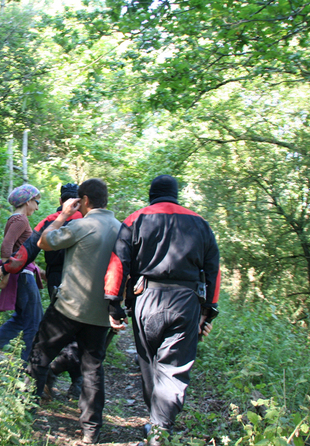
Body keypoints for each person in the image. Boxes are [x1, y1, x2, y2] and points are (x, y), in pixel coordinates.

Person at [104, 174, 220, 446]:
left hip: (147, 298)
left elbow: (118, 263)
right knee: (174, 369)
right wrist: (208, 311)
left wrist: (114, 305)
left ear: (151, 194)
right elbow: (213, 269)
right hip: (186, 300)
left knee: (148, 363)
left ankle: (156, 424)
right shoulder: (200, 223)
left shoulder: (135, 219)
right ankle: (160, 428)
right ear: (176, 194)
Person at [28, 178, 121, 445]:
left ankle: (25, 409)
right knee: (92, 369)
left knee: (40, 353)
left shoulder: (81, 224)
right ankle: (91, 431)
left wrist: (64, 215)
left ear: (85, 201)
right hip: (100, 313)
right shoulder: (121, 229)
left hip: (69, 307)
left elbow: (45, 243)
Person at [0, 183, 84, 398]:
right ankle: (48, 375)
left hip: (47, 278)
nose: (37, 206)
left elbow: (29, 250)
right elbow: (10, 248)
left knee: (38, 322)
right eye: (36, 201)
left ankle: (37, 375)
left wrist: (12, 267)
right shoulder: (87, 221)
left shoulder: (47, 221)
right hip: (68, 281)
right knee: (54, 328)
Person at [0, 184, 44, 363]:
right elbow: (6, 247)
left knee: (22, 317)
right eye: (36, 202)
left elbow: (20, 252)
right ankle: (29, 365)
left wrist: (40, 271)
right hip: (23, 276)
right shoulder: (20, 220)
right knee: (34, 321)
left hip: (23, 273)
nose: (37, 207)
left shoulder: (17, 219)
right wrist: (6, 269)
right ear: (28, 201)